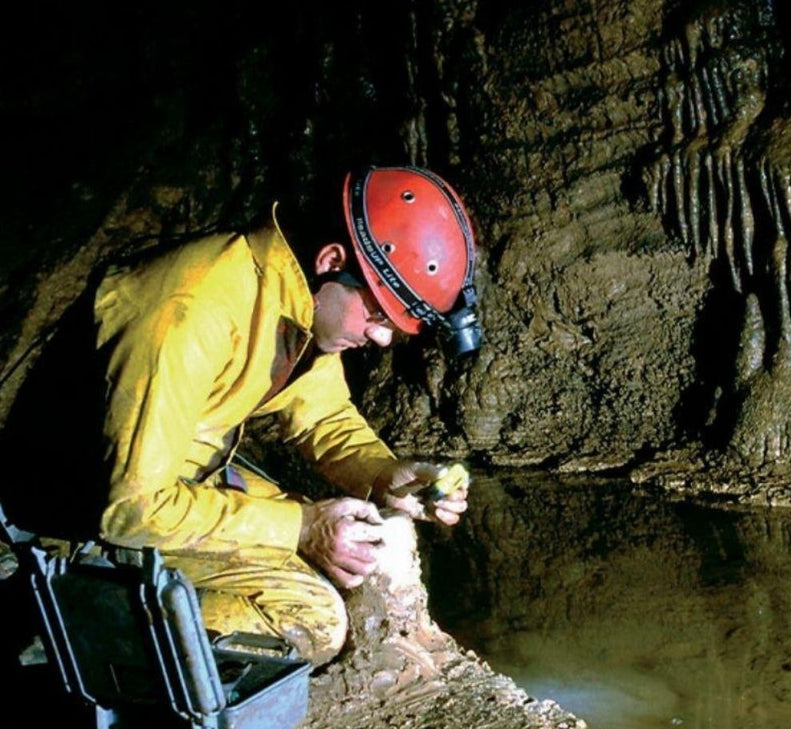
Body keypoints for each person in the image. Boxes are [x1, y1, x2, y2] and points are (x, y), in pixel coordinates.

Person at [3, 165, 482, 667]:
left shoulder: (292, 298)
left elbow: (321, 415)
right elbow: (133, 509)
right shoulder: (190, 311)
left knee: (366, 543)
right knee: (313, 619)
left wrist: (385, 477)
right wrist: (300, 528)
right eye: (379, 315)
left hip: (183, 482)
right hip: (79, 517)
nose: (381, 338)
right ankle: (48, 619)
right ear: (331, 259)